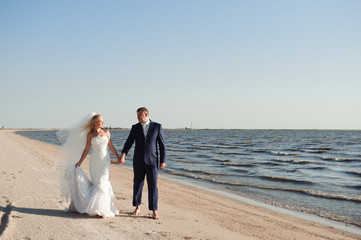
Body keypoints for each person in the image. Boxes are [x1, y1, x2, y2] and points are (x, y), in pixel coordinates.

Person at [58, 113, 120, 218]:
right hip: (94, 162)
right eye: (100, 121)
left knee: (103, 183)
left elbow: (111, 147)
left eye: (103, 120)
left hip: (105, 162)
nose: (103, 123)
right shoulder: (90, 135)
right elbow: (86, 149)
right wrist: (80, 162)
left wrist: (118, 158)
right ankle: (96, 208)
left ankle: (102, 209)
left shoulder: (106, 132)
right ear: (95, 123)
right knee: (97, 183)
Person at [118, 107, 166, 220]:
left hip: (152, 162)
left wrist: (163, 160)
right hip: (138, 161)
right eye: (137, 115)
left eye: (139, 115)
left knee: (153, 186)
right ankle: (137, 207)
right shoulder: (135, 127)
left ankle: (154, 211)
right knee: (137, 184)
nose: (138, 117)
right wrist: (123, 154)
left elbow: (162, 145)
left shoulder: (157, 126)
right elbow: (129, 142)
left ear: (146, 115)